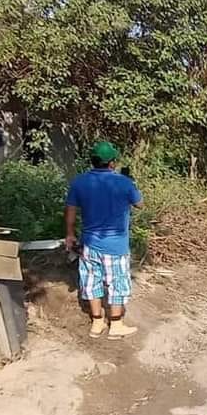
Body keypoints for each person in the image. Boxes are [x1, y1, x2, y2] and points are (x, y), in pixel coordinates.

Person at [65, 142, 143, 339]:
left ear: (92, 160)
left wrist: (70, 234)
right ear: (112, 162)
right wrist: (131, 184)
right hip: (116, 245)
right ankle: (115, 325)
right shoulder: (123, 182)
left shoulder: (79, 182)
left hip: (89, 244)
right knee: (117, 283)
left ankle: (97, 323)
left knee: (91, 281)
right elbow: (140, 204)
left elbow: (70, 210)